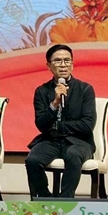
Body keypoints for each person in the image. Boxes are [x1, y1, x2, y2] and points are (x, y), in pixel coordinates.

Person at [25, 44, 96, 198]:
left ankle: (65, 201)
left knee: (73, 155)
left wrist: (58, 127)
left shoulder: (85, 89)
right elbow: (41, 124)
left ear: (72, 64)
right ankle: (45, 199)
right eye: (57, 61)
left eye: (67, 60)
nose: (63, 65)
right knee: (32, 160)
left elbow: (87, 124)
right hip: (51, 141)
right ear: (49, 66)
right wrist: (54, 103)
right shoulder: (42, 91)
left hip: (79, 142)